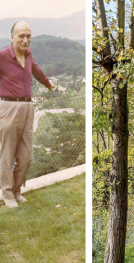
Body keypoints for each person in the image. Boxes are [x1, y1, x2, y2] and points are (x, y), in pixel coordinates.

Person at [0, 21, 55, 208]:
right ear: (12, 37)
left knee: (26, 155)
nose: (25, 39)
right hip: (8, 107)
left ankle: (16, 191)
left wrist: (48, 84)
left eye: (28, 36)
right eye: (21, 35)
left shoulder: (28, 54)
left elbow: (36, 70)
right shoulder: (3, 56)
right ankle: (7, 195)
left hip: (27, 107)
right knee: (6, 155)